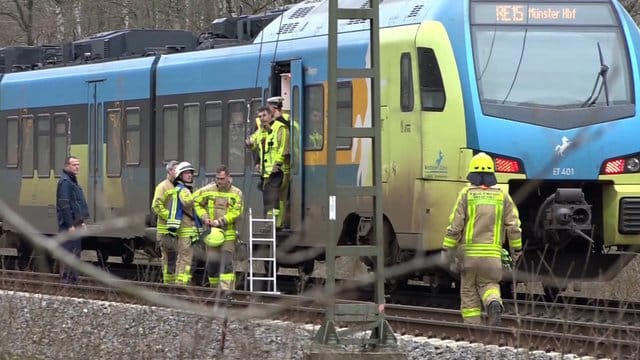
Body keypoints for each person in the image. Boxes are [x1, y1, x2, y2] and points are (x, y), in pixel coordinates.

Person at [442, 152, 522, 326]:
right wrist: (516, 251)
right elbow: (514, 226)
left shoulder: (466, 194)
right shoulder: (502, 196)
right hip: (492, 257)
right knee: (490, 285)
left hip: (469, 257)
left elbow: (455, 225)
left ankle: (474, 333)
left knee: (469, 293)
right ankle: (493, 302)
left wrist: (447, 250)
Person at [193, 165, 243, 290]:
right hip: (212, 235)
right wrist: (204, 217)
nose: (219, 181)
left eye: (222, 178)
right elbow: (196, 202)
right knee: (212, 264)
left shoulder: (236, 193)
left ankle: (227, 292)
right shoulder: (209, 190)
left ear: (228, 178)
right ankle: (214, 289)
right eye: (217, 178)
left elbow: (237, 212)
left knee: (226, 263)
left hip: (228, 234)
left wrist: (221, 221)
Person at [246, 106, 290, 229]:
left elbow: (283, 148)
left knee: (273, 196)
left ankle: (275, 224)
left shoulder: (281, 128)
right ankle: (272, 223)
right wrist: (249, 142)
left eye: (264, 116)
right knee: (269, 197)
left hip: (279, 170)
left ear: (271, 115)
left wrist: (278, 164)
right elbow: (253, 143)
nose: (262, 119)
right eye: (259, 116)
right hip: (266, 172)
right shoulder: (261, 130)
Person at [56, 155, 90, 284]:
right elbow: (64, 205)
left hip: (75, 225)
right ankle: (66, 282)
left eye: (78, 164)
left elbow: (76, 205)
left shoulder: (72, 181)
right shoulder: (65, 182)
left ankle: (73, 281)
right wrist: (70, 225)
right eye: (74, 164)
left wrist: (81, 222)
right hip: (68, 227)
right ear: (67, 166)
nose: (77, 167)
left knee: (75, 254)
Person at [166, 161, 201, 285]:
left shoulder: (181, 189)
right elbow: (187, 202)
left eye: (190, 173)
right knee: (186, 258)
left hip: (184, 230)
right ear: (180, 175)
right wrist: (201, 193)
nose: (189, 175)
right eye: (186, 173)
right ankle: (182, 284)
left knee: (181, 258)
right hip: (186, 230)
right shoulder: (183, 190)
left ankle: (179, 282)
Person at [151, 160, 180, 284]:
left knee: (176, 260)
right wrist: (171, 217)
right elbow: (156, 206)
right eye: (176, 170)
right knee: (168, 261)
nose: (179, 172)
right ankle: (168, 285)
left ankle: (173, 285)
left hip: (177, 230)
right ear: (170, 171)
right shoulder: (162, 187)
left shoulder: (179, 186)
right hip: (166, 231)